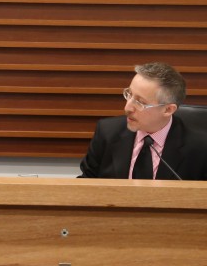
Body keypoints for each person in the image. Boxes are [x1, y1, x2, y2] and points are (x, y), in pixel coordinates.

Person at [79, 62, 207, 180]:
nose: (127, 108)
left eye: (140, 102)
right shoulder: (107, 132)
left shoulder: (199, 148)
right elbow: (86, 184)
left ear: (168, 109)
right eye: (129, 94)